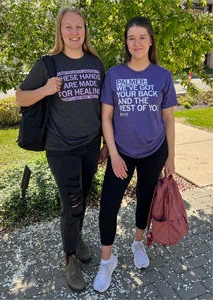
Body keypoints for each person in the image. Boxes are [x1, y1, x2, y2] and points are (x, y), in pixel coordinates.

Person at [16, 7, 107, 292]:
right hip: (61, 148)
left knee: (82, 197)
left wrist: (105, 143)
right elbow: (20, 97)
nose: (74, 32)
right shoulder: (48, 63)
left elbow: (103, 108)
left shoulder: (96, 64)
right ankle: (70, 258)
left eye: (79, 27)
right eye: (68, 27)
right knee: (72, 204)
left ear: (85, 30)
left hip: (91, 146)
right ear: (60, 30)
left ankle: (76, 239)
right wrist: (45, 89)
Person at [93, 16, 178, 292]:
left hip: (154, 150)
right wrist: (115, 155)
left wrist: (171, 156)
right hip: (123, 153)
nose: (137, 42)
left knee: (145, 199)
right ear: (126, 42)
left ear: (151, 40)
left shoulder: (162, 76)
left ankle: (138, 243)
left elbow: (168, 120)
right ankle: (107, 260)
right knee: (108, 206)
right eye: (132, 38)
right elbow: (106, 118)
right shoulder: (115, 74)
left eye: (142, 37)